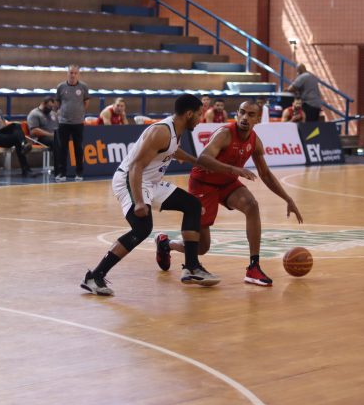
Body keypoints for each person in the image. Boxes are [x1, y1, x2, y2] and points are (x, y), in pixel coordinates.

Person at [80, 94, 255, 297]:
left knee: (192, 205)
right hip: (130, 180)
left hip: (150, 182)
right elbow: (135, 166)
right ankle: (95, 276)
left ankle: (191, 267)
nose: (200, 119)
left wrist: (194, 160)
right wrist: (139, 202)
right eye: (198, 114)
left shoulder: (174, 130)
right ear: (188, 114)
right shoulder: (161, 131)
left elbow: (172, 150)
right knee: (142, 228)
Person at [157, 101, 304, 287]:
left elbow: (265, 174)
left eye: (251, 114)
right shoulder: (225, 134)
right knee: (202, 247)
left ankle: (254, 267)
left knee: (252, 205)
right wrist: (234, 169)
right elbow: (203, 158)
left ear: (258, 119)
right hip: (204, 184)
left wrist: (288, 199)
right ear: (237, 114)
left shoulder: (255, 141)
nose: (245, 117)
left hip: (227, 182)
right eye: (242, 112)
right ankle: (166, 244)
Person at [56, 64, 89, 182]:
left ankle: (79, 173)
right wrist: (62, 113)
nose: (73, 75)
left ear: (78, 74)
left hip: (78, 123)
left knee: (78, 148)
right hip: (64, 122)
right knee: (63, 148)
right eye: (71, 73)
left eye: (75, 73)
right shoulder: (61, 87)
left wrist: (80, 114)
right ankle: (62, 173)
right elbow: (58, 103)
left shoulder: (83, 87)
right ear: (67, 73)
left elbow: (86, 102)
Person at [27, 96, 61, 176]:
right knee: (55, 141)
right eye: (49, 107)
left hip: (54, 136)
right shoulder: (34, 114)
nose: (50, 109)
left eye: (52, 107)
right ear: (43, 104)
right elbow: (34, 131)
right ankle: (58, 168)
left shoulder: (53, 114)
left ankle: (67, 166)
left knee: (65, 140)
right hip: (40, 139)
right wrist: (50, 134)